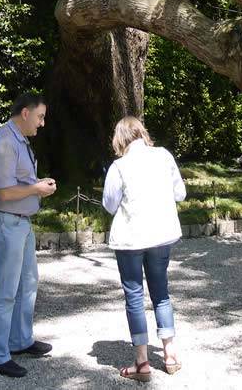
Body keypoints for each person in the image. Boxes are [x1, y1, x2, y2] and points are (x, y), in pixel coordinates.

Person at [102, 117, 186, 382]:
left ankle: (142, 362)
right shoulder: (164, 156)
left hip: (131, 238)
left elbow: (109, 204)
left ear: (121, 139)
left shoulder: (119, 166)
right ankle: (170, 354)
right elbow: (180, 193)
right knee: (161, 293)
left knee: (135, 297)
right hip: (161, 235)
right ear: (141, 133)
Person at [0, 93, 57, 378]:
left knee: (27, 283)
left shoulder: (19, 140)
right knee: (5, 291)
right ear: (25, 113)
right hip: (5, 222)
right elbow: (5, 192)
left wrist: (36, 184)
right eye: (40, 116)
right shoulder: (4, 142)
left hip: (19, 223)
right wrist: (36, 189)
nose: (43, 123)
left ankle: (19, 341)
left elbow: (17, 184)